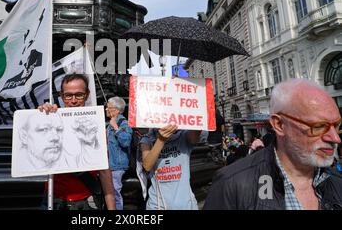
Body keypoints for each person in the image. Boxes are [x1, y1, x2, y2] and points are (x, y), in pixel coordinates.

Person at [204, 79, 342, 210]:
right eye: (318, 126)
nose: (336, 138)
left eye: (336, 125)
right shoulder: (231, 184)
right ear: (279, 125)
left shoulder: (337, 180)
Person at [38, 73, 116, 210]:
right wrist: (41, 116)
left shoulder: (96, 127)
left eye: (79, 95)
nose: (73, 100)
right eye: (68, 95)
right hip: (53, 200)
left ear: (87, 95)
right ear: (61, 96)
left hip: (85, 201)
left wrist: (112, 208)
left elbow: (104, 171)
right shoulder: (50, 120)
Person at [140, 124, 201, 210]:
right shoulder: (147, 139)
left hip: (185, 204)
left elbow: (195, 135)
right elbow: (147, 166)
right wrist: (161, 140)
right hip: (157, 205)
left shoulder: (183, 135)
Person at [105, 96, 132, 210]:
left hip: (117, 165)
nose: (106, 109)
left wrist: (116, 128)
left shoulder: (123, 123)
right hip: (109, 165)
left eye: (108, 107)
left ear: (116, 110)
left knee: (114, 192)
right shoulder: (109, 124)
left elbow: (126, 141)